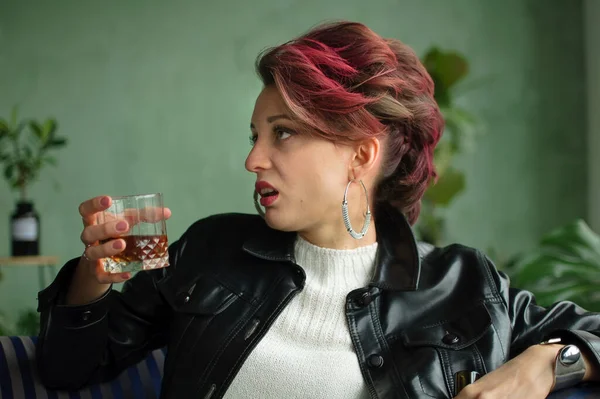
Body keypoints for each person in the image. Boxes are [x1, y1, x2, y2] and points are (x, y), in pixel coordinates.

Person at [37, 21, 600, 399]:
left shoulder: (464, 284)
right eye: (255, 134)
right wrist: (95, 274)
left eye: (282, 134)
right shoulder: (209, 251)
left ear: (360, 153)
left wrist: (547, 362)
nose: (253, 159)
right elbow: (67, 370)